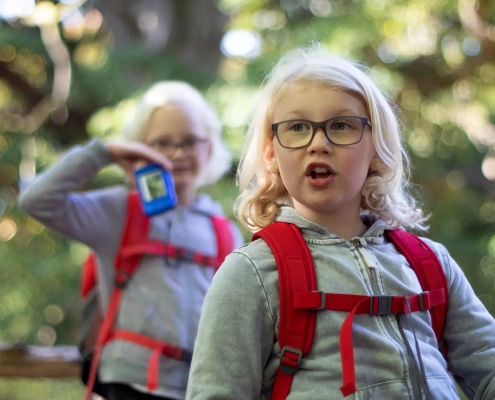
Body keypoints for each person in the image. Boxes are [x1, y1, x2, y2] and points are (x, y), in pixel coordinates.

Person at [185, 47, 495, 399]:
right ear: (272, 154)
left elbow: (487, 365)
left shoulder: (429, 263)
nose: (319, 143)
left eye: (341, 126)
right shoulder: (252, 274)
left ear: (376, 148)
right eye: (298, 127)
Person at [18, 81, 244, 400]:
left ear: (209, 147)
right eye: (162, 142)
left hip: (199, 389)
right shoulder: (118, 211)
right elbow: (35, 201)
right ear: (140, 147)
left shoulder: (224, 230)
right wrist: (103, 153)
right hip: (128, 384)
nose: (177, 153)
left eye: (190, 141)